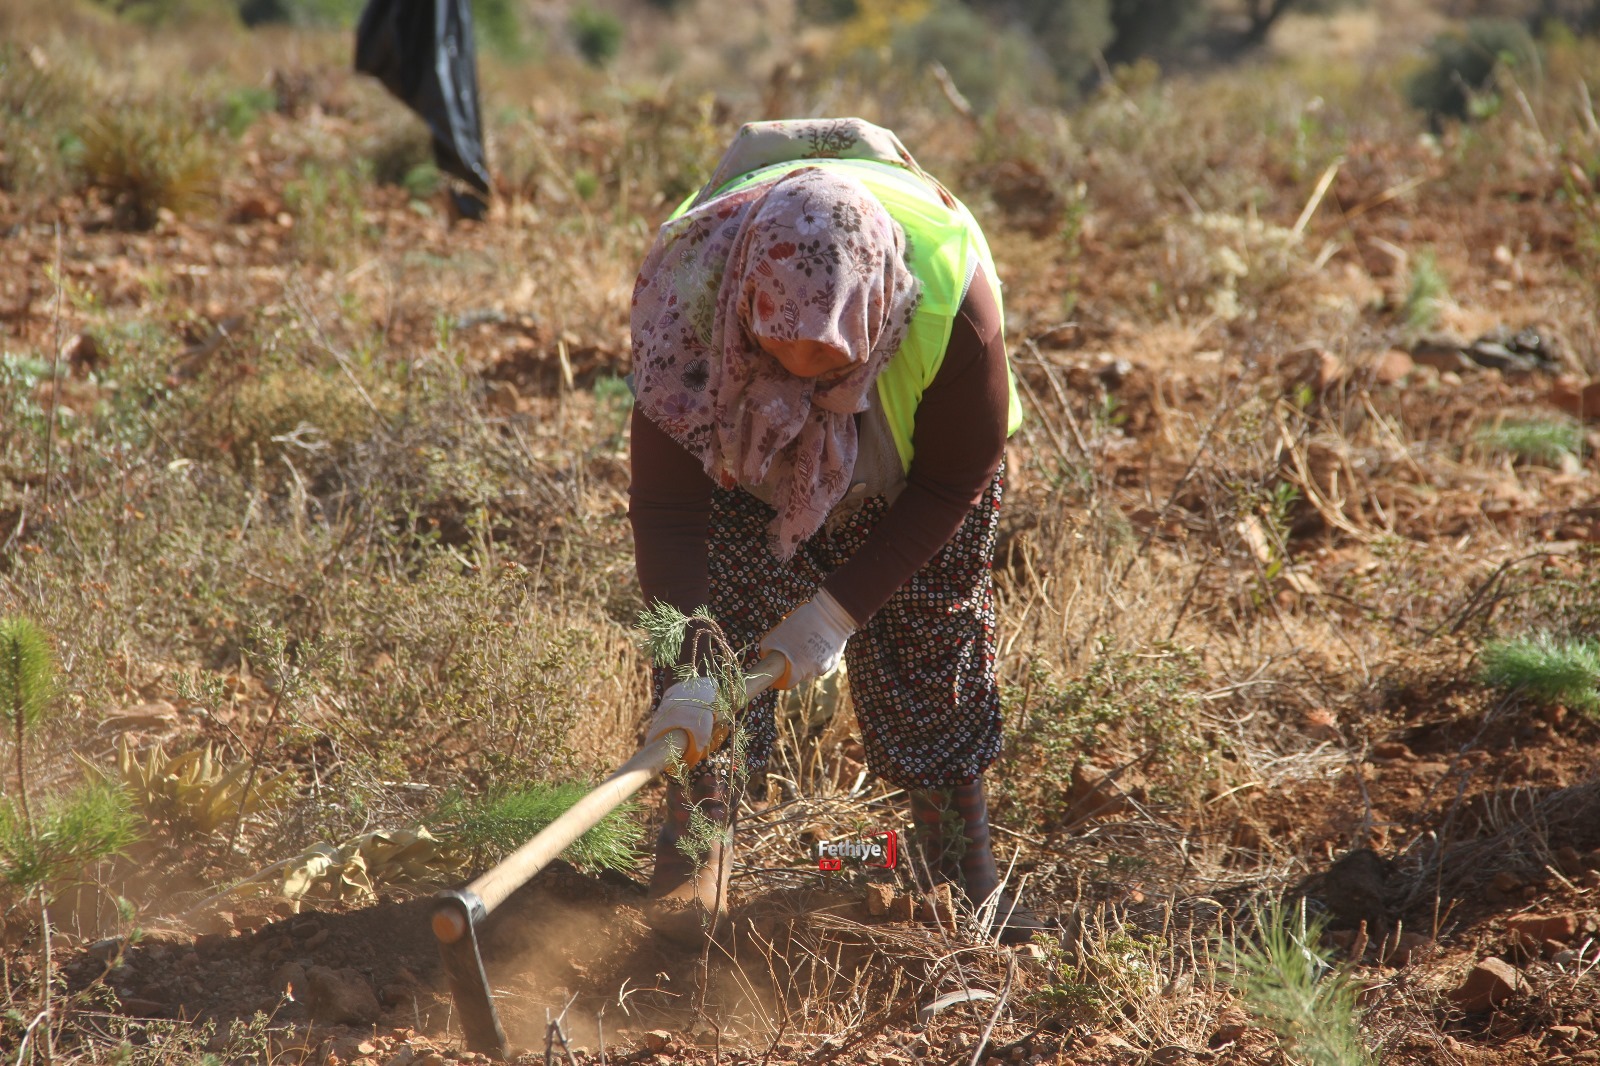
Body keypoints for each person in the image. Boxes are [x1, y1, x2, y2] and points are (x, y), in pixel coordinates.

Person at [627, 118, 1043, 946]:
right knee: (714, 655)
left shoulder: (952, 311)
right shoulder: (685, 308)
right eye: (775, 358)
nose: (798, 386)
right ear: (745, 306)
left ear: (876, 315)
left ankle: (961, 881)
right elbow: (674, 513)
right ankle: (690, 878)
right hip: (737, 465)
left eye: (827, 366)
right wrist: (693, 664)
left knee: (935, 642)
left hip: (916, 475)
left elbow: (953, 480)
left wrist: (834, 614)